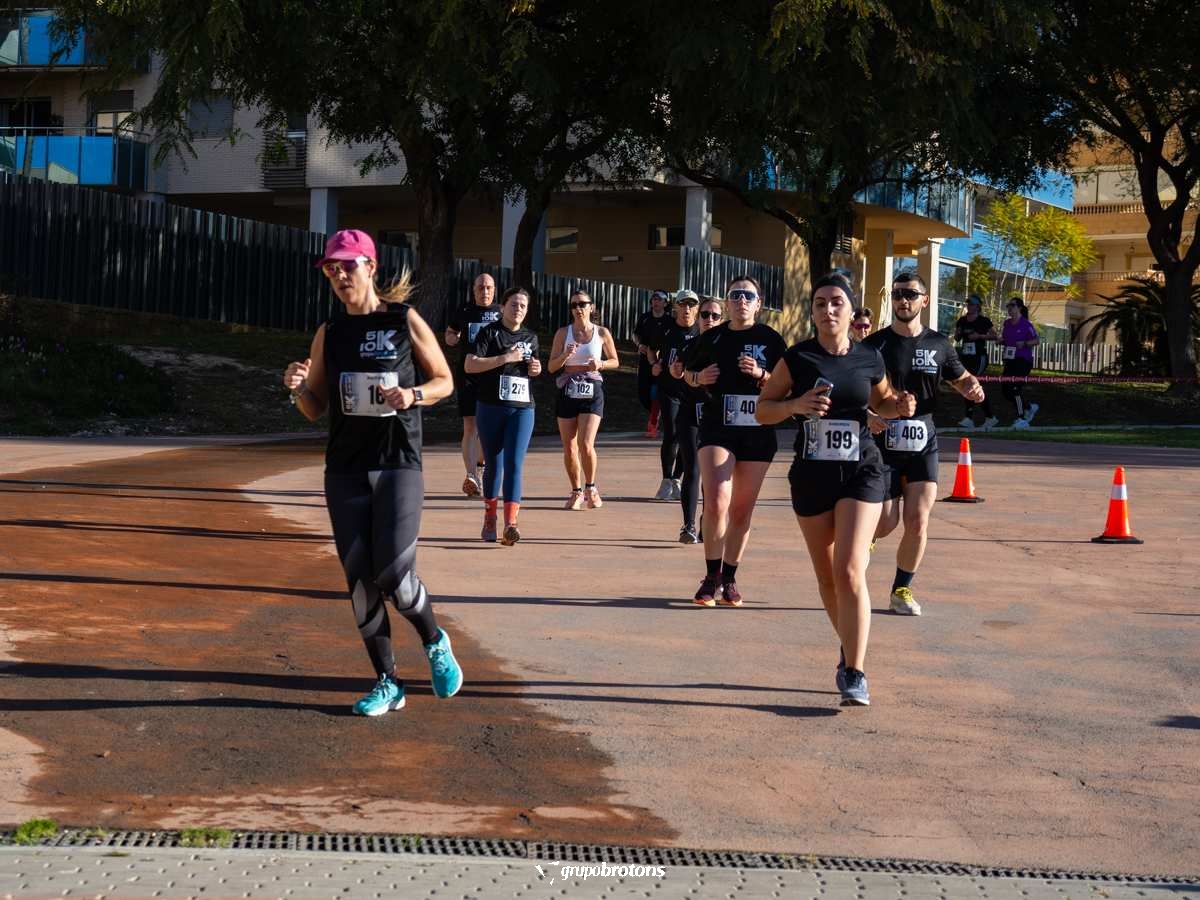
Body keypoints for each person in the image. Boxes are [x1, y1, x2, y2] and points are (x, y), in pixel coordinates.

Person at [282, 228, 463, 717]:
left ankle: (434, 639)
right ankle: (388, 682)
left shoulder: (402, 320)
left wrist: (413, 395)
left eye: (348, 265)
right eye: (331, 268)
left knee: (394, 575)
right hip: (345, 468)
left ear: (371, 267)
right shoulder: (330, 332)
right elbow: (315, 408)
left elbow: (445, 380)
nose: (340, 275)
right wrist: (296, 387)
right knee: (360, 580)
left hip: (397, 461)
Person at [755, 271, 916, 707]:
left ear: (850, 310)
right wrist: (795, 405)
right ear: (812, 312)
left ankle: (855, 672)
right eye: (821, 303)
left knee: (848, 569)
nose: (828, 310)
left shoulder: (868, 357)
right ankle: (849, 650)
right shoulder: (797, 358)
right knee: (827, 577)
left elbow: (883, 401)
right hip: (812, 475)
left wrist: (899, 406)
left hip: (862, 470)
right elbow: (763, 410)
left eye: (837, 302)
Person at [864, 271, 987, 617]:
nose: (903, 300)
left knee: (918, 520)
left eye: (911, 294)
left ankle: (901, 590)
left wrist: (972, 388)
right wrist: (869, 415)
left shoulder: (939, 344)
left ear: (925, 300)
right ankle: (862, 545)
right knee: (885, 523)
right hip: (883, 443)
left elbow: (962, 378)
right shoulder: (874, 345)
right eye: (898, 294)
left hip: (923, 442)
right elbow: (855, 389)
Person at [681, 275, 787, 607]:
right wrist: (698, 377)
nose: (742, 300)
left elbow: (787, 386)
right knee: (715, 501)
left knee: (741, 510)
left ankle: (729, 578)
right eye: (735, 295)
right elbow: (685, 373)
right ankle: (710, 576)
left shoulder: (771, 339)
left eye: (748, 296)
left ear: (758, 304)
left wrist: (762, 375)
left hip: (758, 430)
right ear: (727, 302)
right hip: (717, 427)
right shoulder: (712, 337)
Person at [465, 286, 542, 545]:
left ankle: (511, 524)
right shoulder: (489, 333)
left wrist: (536, 368)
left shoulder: (531, 337)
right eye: (514, 304)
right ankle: (490, 518)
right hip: (491, 407)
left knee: (514, 464)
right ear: (503, 307)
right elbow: (470, 364)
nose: (518, 309)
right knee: (494, 464)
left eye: (523, 306)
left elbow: (533, 369)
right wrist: (505, 357)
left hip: (522, 408)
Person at [548, 289, 619, 509]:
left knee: (586, 444)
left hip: (592, 388)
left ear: (591, 307)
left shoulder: (601, 332)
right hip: (568, 388)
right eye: (574, 305)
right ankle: (576, 491)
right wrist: (565, 356)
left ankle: (591, 488)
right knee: (569, 446)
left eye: (582, 304)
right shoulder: (563, 333)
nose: (578, 308)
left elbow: (615, 360)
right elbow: (551, 367)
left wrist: (601, 364)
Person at [669, 295, 723, 543]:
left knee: (712, 474)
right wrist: (678, 373)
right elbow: (679, 372)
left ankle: (706, 521)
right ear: (698, 317)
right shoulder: (689, 345)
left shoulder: (727, 347)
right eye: (705, 314)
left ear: (721, 319)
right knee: (692, 468)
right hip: (690, 412)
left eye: (715, 315)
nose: (709, 319)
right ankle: (688, 526)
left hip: (718, 414)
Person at [444, 273, 501, 496]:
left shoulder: (501, 311)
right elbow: (451, 331)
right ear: (473, 290)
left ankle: (480, 467)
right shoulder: (465, 310)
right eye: (480, 287)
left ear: (494, 289)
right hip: (468, 374)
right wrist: (452, 338)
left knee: (489, 427)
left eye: (488, 287)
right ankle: (470, 475)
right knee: (470, 425)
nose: (484, 291)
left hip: (493, 375)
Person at [649, 290, 700, 503]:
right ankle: (666, 479)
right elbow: (651, 349)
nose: (687, 309)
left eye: (691, 305)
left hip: (693, 391)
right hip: (669, 389)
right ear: (676, 307)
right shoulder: (666, 328)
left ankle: (677, 478)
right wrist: (654, 364)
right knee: (671, 432)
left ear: (696, 308)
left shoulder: (701, 330)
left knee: (687, 436)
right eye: (683, 304)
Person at [953, 295, 999, 429]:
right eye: (968, 304)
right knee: (967, 384)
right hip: (966, 357)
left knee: (973, 383)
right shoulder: (962, 320)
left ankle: (982, 417)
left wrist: (979, 336)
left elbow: (994, 335)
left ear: (978, 306)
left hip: (979, 357)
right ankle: (976, 418)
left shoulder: (983, 321)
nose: (969, 306)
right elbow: (957, 337)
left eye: (972, 304)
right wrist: (958, 333)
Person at [634, 290, 672, 439]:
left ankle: (653, 423)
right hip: (645, 360)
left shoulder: (670, 321)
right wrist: (639, 344)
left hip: (661, 361)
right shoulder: (645, 318)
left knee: (656, 391)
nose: (655, 302)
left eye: (659, 299)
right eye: (654, 299)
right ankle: (657, 413)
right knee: (643, 393)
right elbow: (636, 334)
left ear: (665, 303)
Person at [1001, 297, 1040, 428]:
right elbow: (1006, 339)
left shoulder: (1026, 324)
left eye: (1012, 305)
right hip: (1010, 360)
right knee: (1005, 390)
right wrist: (1001, 341)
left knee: (1014, 387)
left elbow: (1036, 340)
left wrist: (1024, 343)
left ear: (1019, 308)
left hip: (1023, 361)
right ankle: (1029, 407)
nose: (1009, 308)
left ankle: (1021, 418)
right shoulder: (1007, 323)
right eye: (1008, 305)